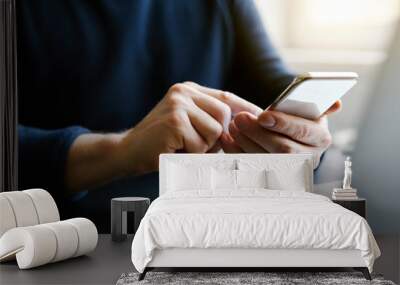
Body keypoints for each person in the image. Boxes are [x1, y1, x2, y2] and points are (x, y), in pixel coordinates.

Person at [17, 0, 340, 232]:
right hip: (65, 234)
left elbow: (269, 82)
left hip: (204, 225)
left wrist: (302, 136)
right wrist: (121, 151)